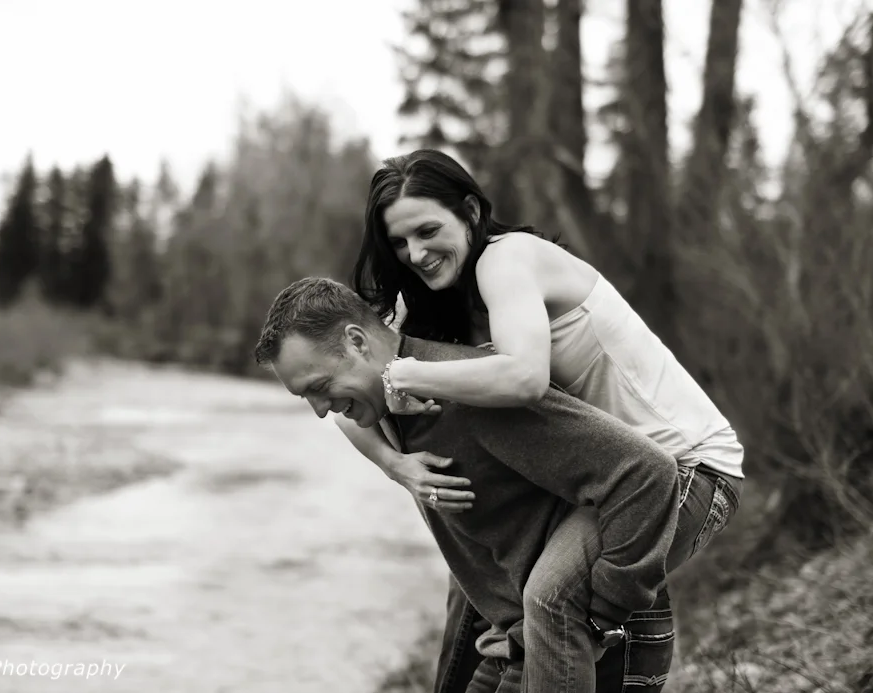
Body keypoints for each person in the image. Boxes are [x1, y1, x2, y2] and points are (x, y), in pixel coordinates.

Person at [340, 149, 746, 689]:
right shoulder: (435, 299)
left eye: (427, 229)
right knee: (473, 590)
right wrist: (399, 466)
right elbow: (344, 391)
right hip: (602, 482)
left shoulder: (508, 261)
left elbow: (525, 377)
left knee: (550, 597)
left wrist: (408, 376)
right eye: (398, 242)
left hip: (687, 470)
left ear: (470, 211)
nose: (415, 252)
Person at [254, 277, 697, 693]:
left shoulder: (471, 394)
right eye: (305, 397)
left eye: (320, 387)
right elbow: (353, 413)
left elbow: (649, 472)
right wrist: (393, 464)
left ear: (356, 342)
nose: (318, 410)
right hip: (517, 643)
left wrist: (601, 612)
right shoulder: (385, 397)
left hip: (593, 643)